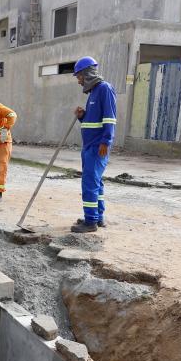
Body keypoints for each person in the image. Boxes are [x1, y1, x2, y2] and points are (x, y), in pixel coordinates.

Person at [71, 56, 116, 234]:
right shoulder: (93, 93)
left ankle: (90, 222)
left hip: (98, 146)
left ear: (87, 74)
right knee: (96, 182)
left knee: (89, 183)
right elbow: (92, 122)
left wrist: (106, 141)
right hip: (89, 146)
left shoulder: (105, 89)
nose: (79, 81)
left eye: (79, 77)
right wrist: (82, 116)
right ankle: (98, 217)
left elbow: (110, 118)